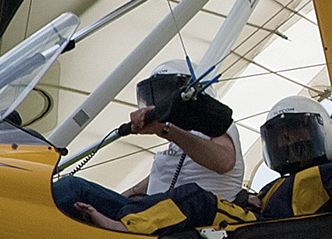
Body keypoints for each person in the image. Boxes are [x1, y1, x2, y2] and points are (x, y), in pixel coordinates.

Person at [74, 97, 332, 234]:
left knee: (195, 198)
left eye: (296, 133)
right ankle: (122, 217)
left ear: (324, 133)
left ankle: (125, 228)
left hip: (269, 238)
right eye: (280, 138)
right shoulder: (278, 186)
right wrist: (247, 198)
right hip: (262, 232)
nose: (287, 144)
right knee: (194, 198)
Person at [52, 59, 245, 221]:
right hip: (153, 216)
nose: (159, 103)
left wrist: (166, 129)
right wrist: (123, 197)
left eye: (165, 95)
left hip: (181, 225)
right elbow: (162, 176)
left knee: (72, 188)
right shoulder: (180, 141)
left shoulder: (218, 125)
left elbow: (224, 161)